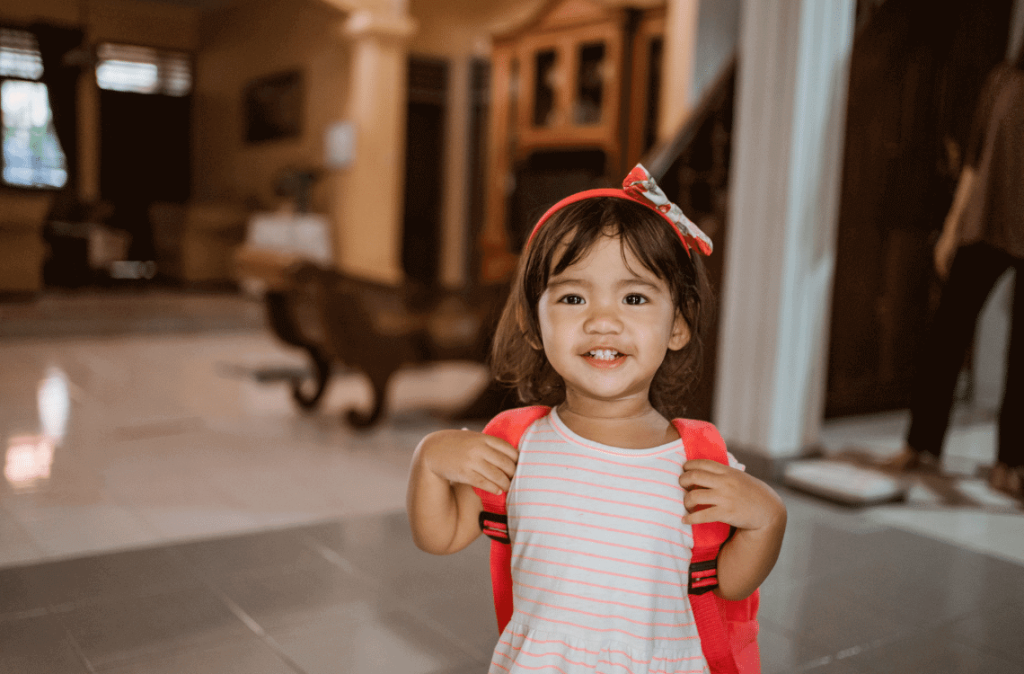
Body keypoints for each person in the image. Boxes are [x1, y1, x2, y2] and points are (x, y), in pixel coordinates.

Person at [407, 165, 787, 673]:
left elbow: (729, 582)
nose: (602, 320)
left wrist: (767, 520)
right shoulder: (517, 449)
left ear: (677, 325)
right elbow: (440, 534)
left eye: (634, 298)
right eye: (572, 297)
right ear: (533, 324)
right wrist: (428, 460)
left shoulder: (698, 463)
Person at [883, 46, 1024, 501]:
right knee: (946, 334)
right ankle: (920, 443)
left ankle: (1011, 462)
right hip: (985, 224)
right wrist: (952, 225)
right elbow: (975, 158)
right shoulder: (1002, 80)